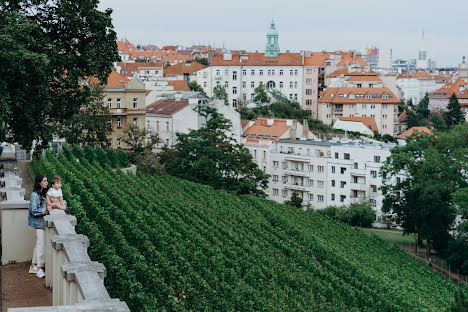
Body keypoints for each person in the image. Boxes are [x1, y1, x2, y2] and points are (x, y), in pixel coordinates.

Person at [28, 174, 52, 278]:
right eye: (45, 181)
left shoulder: (42, 193)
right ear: (39, 183)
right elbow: (33, 211)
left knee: (39, 244)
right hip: (38, 223)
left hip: (41, 223)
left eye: (47, 181)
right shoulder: (35, 195)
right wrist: (45, 210)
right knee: (41, 245)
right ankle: (39, 269)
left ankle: (33, 266)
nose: (47, 182)